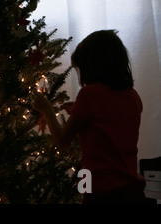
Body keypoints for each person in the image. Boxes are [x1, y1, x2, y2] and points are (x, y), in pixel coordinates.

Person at [32, 30, 146, 204]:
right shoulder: (133, 96)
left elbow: (63, 140)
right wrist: (79, 111)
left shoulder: (89, 95)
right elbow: (108, 121)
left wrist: (47, 109)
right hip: (132, 190)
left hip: (101, 191)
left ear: (91, 66)